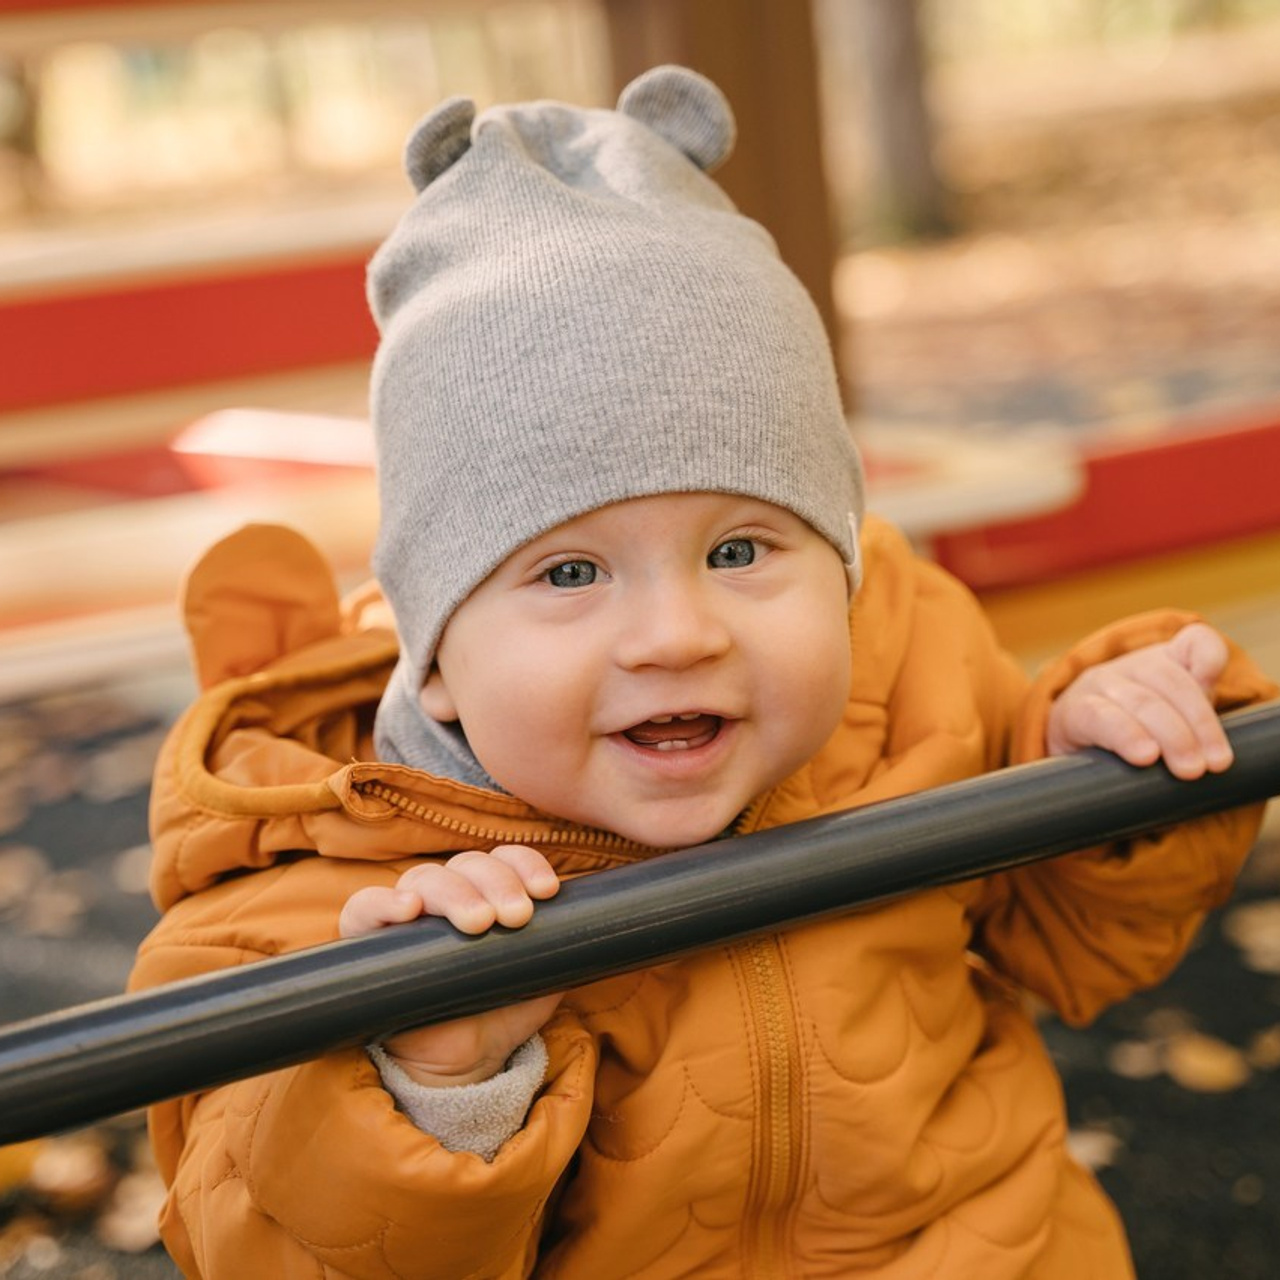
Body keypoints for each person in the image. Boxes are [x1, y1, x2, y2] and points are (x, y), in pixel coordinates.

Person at [130, 66, 1276, 1279]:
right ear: (439, 656)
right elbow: (257, 1246)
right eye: (568, 574)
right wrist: (428, 1078)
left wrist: (1100, 764)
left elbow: (1077, 943)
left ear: (835, 568)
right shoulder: (310, 883)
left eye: (740, 549)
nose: (675, 635)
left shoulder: (913, 675)